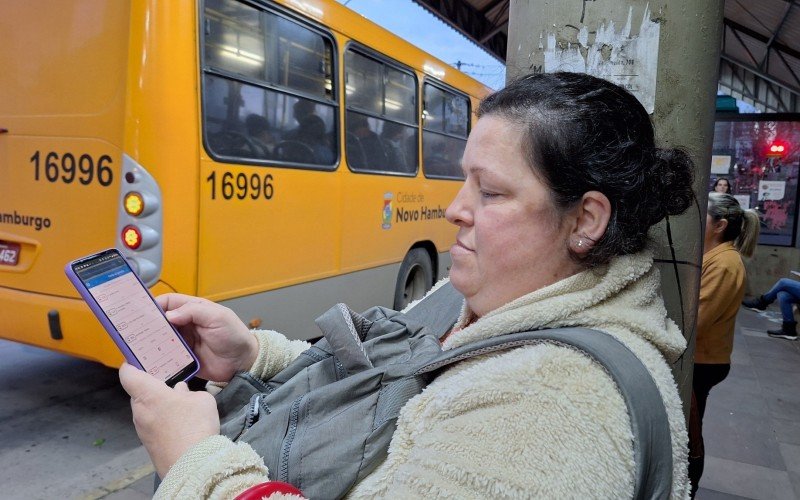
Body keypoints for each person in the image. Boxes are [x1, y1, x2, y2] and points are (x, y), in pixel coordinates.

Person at [119, 72, 696, 498]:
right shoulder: (476, 298)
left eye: (490, 192)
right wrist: (254, 354)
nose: (455, 210)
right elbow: (386, 377)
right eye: (463, 181)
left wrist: (197, 463)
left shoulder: (555, 413)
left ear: (586, 220)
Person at [689, 192, 760, 496]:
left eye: (702, 217)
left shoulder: (725, 264)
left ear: (719, 225)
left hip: (704, 362)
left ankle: (688, 487)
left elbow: (697, 321)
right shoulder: (714, 257)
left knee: (690, 435)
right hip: (702, 357)